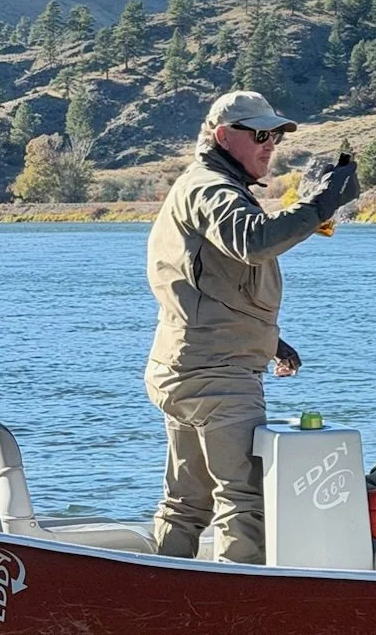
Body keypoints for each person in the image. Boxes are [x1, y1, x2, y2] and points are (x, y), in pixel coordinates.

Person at [144, 90, 361, 561]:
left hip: (187, 366)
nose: (270, 145)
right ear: (223, 136)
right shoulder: (210, 189)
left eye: (276, 136)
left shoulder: (203, 186)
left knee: (186, 503)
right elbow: (254, 241)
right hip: (217, 376)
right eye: (260, 135)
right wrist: (322, 205)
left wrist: (269, 339)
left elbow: (211, 285)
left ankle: (156, 598)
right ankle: (235, 613)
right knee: (245, 502)